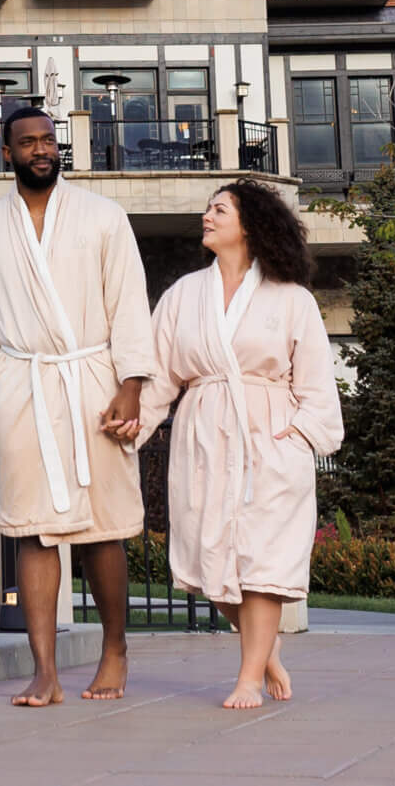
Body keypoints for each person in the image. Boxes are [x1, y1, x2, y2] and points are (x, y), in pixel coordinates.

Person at [0, 106, 157, 707]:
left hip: (94, 379)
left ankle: (115, 649)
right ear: (6, 151)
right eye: (27, 142)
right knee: (33, 531)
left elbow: (129, 304)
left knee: (102, 528)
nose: (40, 150)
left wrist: (132, 384)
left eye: (47, 140)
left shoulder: (102, 216)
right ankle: (44, 670)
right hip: (22, 385)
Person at [145, 177, 343, 709]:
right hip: (204, 438)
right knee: (211, 563)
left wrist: (298, 438)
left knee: (263, 563)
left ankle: (249, 676)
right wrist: (131, 427)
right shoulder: (184, 295)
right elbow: (159, 374)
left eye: (219, 210)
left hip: (269, 439)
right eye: (207, 210)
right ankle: (267, 651)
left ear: (249, 225)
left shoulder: (292, 299)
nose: (206, 218)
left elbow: (318, 382)